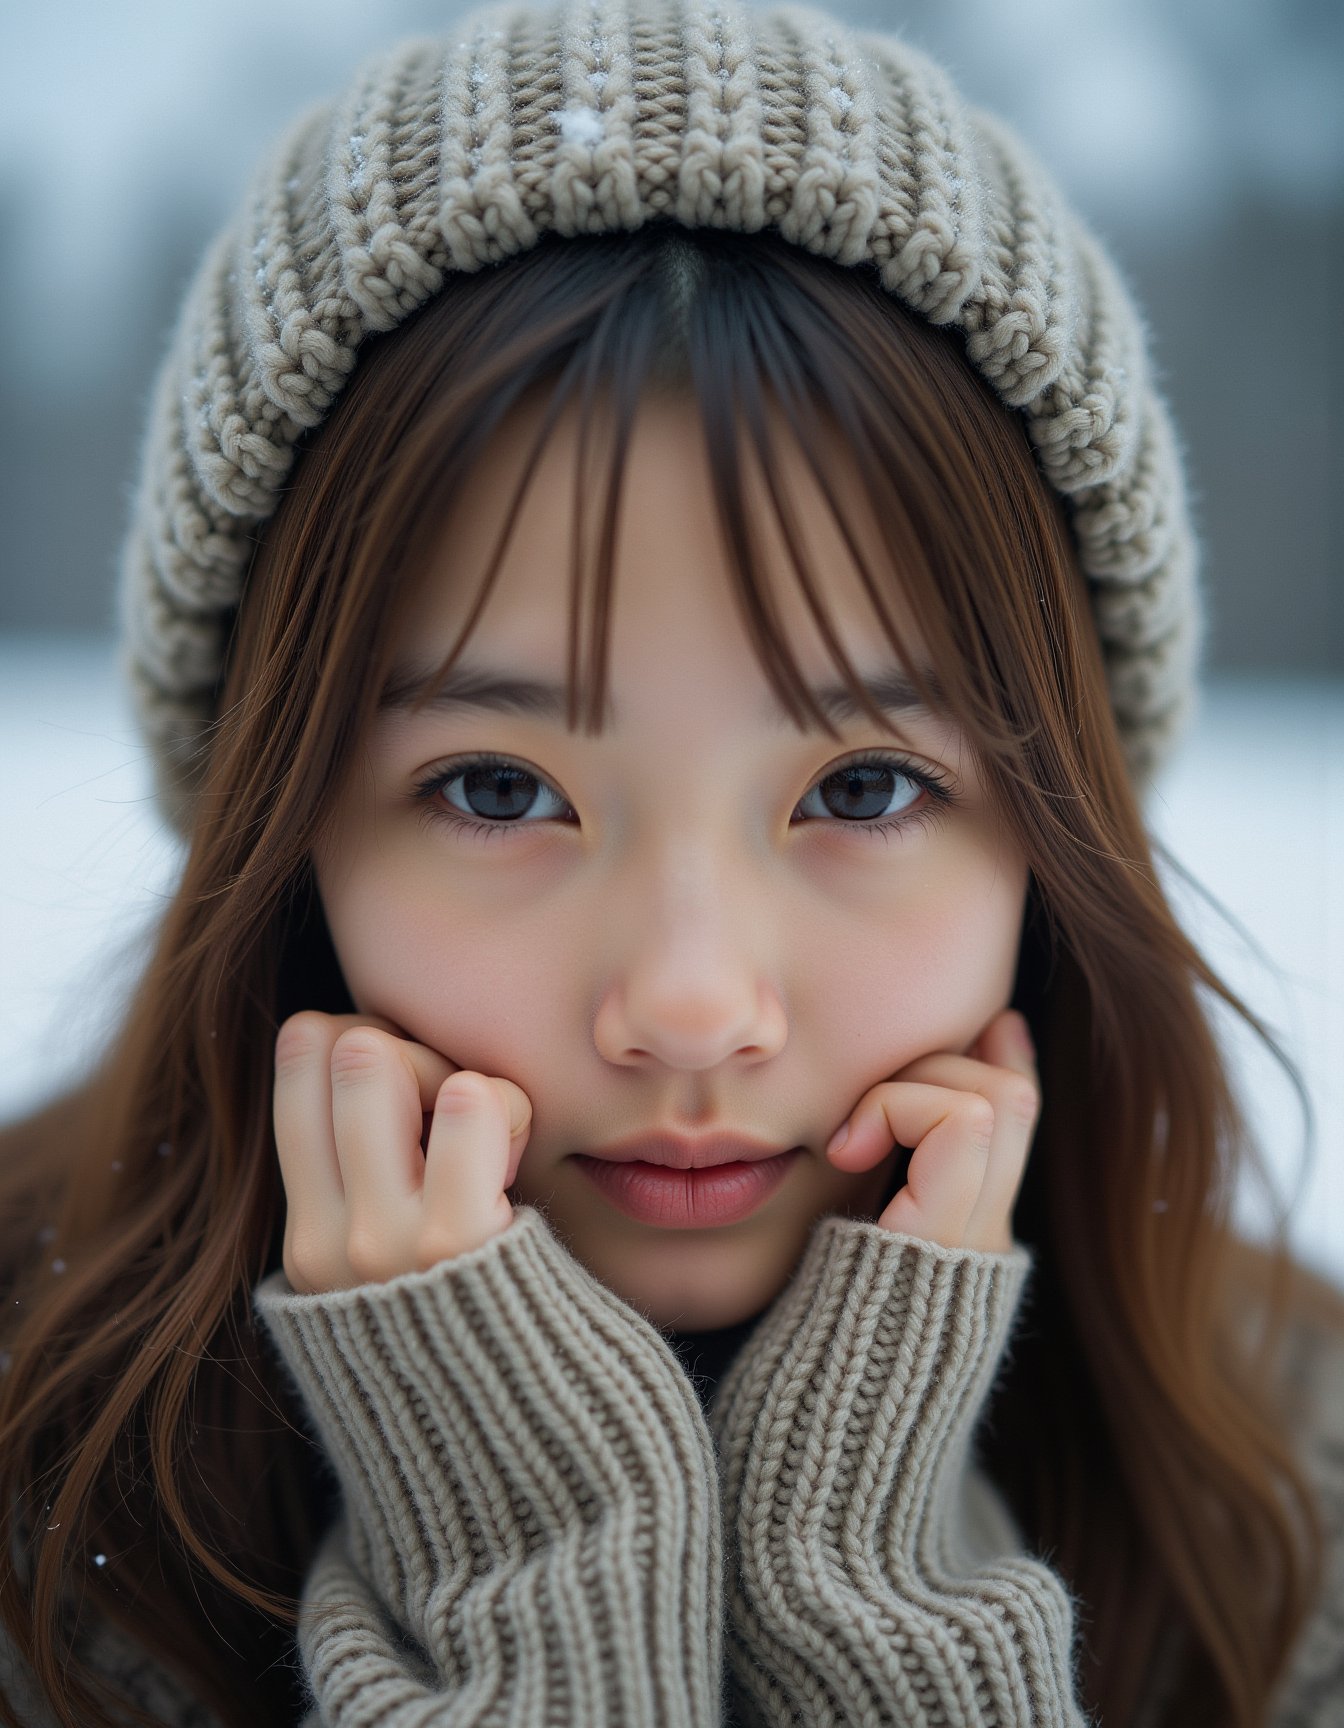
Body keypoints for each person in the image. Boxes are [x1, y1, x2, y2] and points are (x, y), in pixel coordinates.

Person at [1, 0, 1342, 1723]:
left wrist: (876, 1616)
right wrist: (534, 1571)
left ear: (1056, 829)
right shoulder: (42, 1548)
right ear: (281, 824)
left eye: (863, 790)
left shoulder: (1286, 1506)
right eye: (495, 787)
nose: (694, 1008)